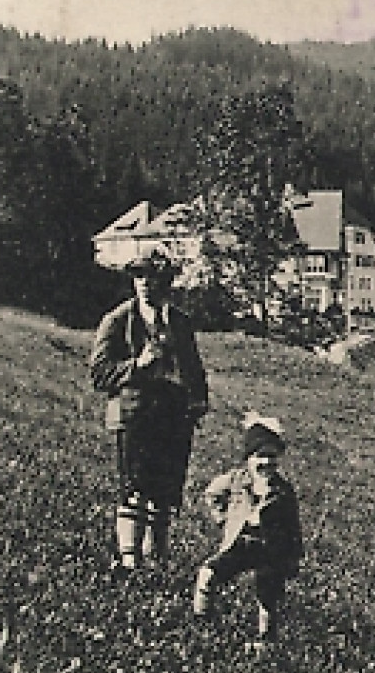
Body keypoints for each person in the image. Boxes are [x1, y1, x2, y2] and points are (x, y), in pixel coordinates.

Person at [89, 243, 209, 573]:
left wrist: (198, 400)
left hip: (173, 416)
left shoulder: (180, 323)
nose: (144, 282)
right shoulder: (117, 321)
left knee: (165, 492)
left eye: (152, 276)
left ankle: (158, 558)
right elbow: (99, 374)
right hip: (136, 415)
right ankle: (130, 561)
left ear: (166, 281)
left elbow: (195, 368)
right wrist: (137, 366)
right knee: (135, 489)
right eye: (138, 275)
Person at [194, 413, 304, 642]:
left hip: (269, 549)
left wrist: (293, 557)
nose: (266, 463)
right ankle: (201, 623)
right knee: (208, 574)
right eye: (260, 456)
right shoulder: (236, 480)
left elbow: (293, 527)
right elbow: (212, 493)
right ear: (248, 458)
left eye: (272, 457)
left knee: (268, 596)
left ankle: (266, 640)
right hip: (239, 544)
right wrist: (223, 518)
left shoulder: (283, 491)